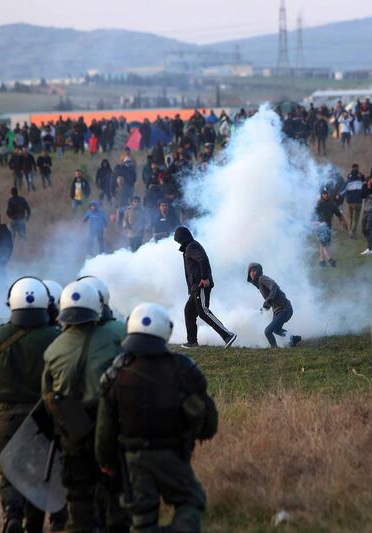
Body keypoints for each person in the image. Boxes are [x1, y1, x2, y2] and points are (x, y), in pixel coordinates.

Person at [95, 303, 218, 533]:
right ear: (166, 331)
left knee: (142, 518)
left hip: (133, 459)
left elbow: (105, 430)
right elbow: (209, 423)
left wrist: (106, 463)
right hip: (172, 453)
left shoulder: (116, 373)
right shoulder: (183, 369)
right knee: (191, 501)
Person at [41, 281, 129, 532]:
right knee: (114, 484)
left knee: (79, 491)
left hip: (71, 425)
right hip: (109, 422)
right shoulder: (119, 333)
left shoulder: (54, 348)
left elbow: (47, 394)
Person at [0, 277, 60, 533]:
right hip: (44, 413)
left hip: (9, 412)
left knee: (9, 464)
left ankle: (12, 514)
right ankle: (34, 524)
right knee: (39, 467)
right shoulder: (56, 337)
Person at [173, 226, 237, 349]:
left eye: (178, 240)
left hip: (201, 284)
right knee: (189, 311)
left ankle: (228, 335)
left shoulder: (192, 246)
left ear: (182, 238)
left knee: (203, 312)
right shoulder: (188, 248)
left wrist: (204, 278)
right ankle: (192, 341)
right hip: (195, 287)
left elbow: (203, 260)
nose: (178, 242)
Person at [246, 263, 301, 348]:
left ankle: (274, 349)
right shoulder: (259, 285)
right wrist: (264, 309)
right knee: (276, 330)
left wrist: (268, 300)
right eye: (250, 271)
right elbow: (270, 300)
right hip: (278, 311)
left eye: (254, 270)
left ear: (259, 271)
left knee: (268, 331)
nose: (252, 273)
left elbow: (274, 286)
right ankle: (293, 339)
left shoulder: (262, 279)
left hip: (285, 309)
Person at [314, 188, 348, 268]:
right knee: (324, 244)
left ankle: (321, 261)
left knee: (323, 243)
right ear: (322, 195)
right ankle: (330, 260)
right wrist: (315, 223)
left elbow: (338, 214)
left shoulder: (332, 204)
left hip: (328, 226)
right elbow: (313, 215)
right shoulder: (318, 204)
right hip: (320, 226)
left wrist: (343, 221)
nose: (325, 195)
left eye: (326, 193)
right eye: (324, 193)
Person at [342, 164, 365, 239]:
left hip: (349, 202)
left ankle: (349, 231)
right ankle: (352, 233)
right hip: (358, 202)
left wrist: (338, 196)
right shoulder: (360, 181)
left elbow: (342, 191)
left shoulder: (348, 181)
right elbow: (365, 185)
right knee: (355, 219)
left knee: (350, 218)